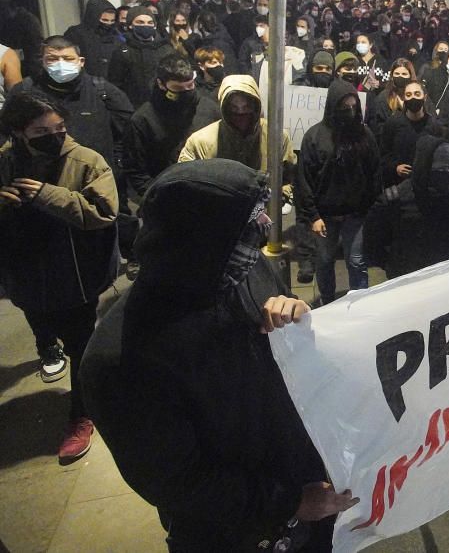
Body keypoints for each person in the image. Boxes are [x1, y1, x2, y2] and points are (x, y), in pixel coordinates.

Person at [80, 159, 359, 550]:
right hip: (234, 534)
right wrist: (288, 503)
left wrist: (296, 313)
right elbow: (176, 480)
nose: (264, 229)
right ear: (200, 240)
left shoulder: (238, 266)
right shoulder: (120, 361)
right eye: (250, 222)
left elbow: (284, 331)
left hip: (302, 491)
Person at [0, 92, 119, 462]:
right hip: (25, 273)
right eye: (40, 130)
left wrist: (48, 196)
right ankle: (46, 346)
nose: (54, 136)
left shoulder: (85, 161)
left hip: (75, 274)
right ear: (19, 132)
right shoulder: (5, 162)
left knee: (81, 342)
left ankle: (82, 413)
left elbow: (104, 211)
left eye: (59, 128)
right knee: (40, 319)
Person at [10, 36, 133, 197]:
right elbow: (8, 133)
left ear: (81, 61)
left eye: (68, 58)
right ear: (43, 61)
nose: (61, 64)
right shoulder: (25, 91)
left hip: (96, 178)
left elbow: (127, 132)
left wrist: (116, 164)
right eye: (53, 59)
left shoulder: (102, 90)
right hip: (40, 182)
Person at [297, 81, 379, 304]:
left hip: (356, 214)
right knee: (324, 261)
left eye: (354, 106)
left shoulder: (364, 135)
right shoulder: (315, 137)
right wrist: (313, 216)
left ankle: (360, 302)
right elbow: (304, 180)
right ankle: (328, 301)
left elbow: (374, 173)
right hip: (325, 216)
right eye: (344, 106)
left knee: (356, 261)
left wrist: (371, 209)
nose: (349, 111)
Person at [364, 129, 449, 278]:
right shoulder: (394, 199)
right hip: (405, 276)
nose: (442, 178)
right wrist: (390, 264)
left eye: (447, 171)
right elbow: (372, 241)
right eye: (438, 172)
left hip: (441, 275)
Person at [123, 54, 220, 199]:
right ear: (161, 84)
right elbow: (136, 169)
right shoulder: (143, 119)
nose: (186, 92)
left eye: (190, 85)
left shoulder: (209, 109)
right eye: (178, 88)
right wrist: (156, 196)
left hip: (207, 193)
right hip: (164, 197)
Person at [179, 75, 296, 183]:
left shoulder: (276, 138)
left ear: (256, 106)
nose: (241, 113)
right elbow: (185, 182)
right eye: (234, 108)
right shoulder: (199, 142)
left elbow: (291, 179)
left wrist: (276, 199)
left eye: (246, 107)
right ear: (224, 108)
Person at [107, 6, 173, 108]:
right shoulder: (122, 51)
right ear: (130, 25)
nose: (145, 25)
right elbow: (116, 84)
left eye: (150, 23)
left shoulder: (166, 49)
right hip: (133, 107)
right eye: (140, 22)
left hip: (163, 106)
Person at [379, 80, 440, 186]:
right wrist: (395, 167)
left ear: (424, 97)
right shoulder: (393, 123)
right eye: (408, 95)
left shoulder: (434, 126)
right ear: (404, 98)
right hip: (398, 185)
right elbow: (383, 154)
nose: (413, 98)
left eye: (417, 94)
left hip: (425, 185)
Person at [64, 0, 122, 79]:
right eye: (104, 20)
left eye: (112, 21)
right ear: (93, 18)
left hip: (111, 83)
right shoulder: (76, 34)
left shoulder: (116, 36)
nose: (109, 24)